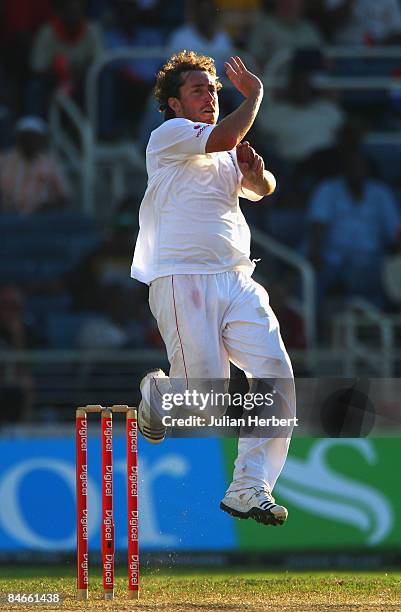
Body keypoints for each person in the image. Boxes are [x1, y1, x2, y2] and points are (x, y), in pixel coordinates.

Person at [131, 51, 295, 527]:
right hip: (183, 278)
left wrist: (253, 173)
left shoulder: (224, 147)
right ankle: (157, 397)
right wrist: (257, 94)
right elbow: (225, 134)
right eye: (198, 90)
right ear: (174, 104)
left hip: (236, 277)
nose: (210, 97)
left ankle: (249, 487)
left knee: (275, 374)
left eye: (214, 90)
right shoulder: (170, 136)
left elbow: (264, 189)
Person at [0, 116, 70, 214]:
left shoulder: (51, 162)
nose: (30, 141)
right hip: (9, 216)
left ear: (41, 139)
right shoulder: (4, 159)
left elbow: (64, 196)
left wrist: (49, 206)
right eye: (27, 137)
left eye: (34, 137)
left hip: (40, 217)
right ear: (19, 138)